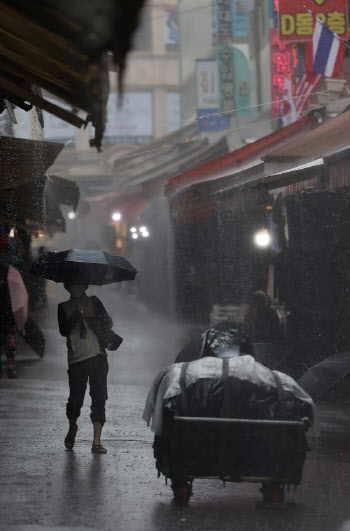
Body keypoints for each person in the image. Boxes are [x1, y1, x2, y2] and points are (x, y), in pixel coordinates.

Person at [58, 277, 113, 454]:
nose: (76, 287)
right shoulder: (63, 307)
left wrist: (94, 315)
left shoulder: (94, 302)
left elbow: (108, 322)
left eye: (79, 284)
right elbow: (63, 330)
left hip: (98, 357)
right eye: (73, 284)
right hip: (76, 360)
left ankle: (96, 441)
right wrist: (77, 313)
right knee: (75, 401)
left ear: (84, 286)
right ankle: (72, 427)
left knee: (99, 398)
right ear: (68, 287)